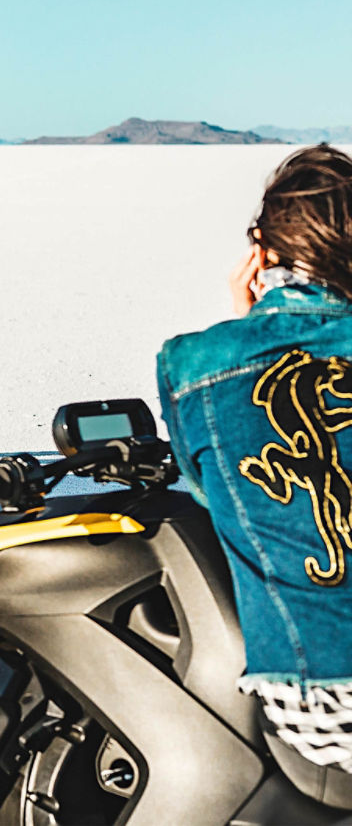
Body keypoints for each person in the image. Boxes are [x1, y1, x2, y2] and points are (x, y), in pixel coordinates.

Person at [157, 144, 352, 778]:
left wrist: (246, 328)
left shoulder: (196, 366)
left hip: (325, 715)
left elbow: (211, 492)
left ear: (263, 252)